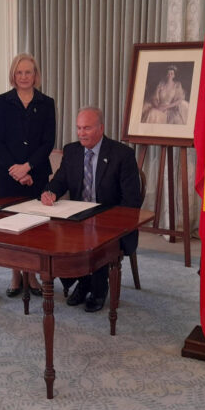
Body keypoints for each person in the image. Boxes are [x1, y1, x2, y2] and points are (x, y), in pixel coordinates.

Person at [41, 106, 141, 312]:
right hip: (78, 218)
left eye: (86, 128)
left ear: (101, 128)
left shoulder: (122, 154)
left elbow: (132, 201)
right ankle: (80, 280)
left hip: (111, 222)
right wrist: (50, 192)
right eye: (78, 128)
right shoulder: (71, 151)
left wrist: (105, 220)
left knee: (97, 239)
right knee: (50, 237)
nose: (81, 133)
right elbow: (60, 181)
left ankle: (98, 288)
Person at [0, 53, 56, 298]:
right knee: (10, 226)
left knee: (36, 227)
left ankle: (32, 275)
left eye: (28, 72)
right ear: (13, 75)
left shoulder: (47, 103)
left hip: (37, 173)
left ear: (35, 75)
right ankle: (16, 275)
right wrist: (17, 171)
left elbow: (48, 142)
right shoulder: (2, 101)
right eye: (20, 72)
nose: (24, 77)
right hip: (8, 175)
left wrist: (28, 167)